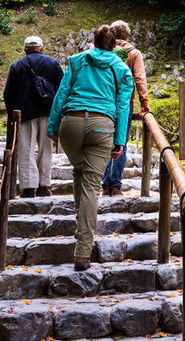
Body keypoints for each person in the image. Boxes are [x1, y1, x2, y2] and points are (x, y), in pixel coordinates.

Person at [47, 25, 133, 271]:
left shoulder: (76, 61)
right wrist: (120, 140)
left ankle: (80, 225)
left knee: (79, 171)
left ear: (93, 42)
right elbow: (122, 106)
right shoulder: (121, 68)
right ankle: (82, 252)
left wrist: (53, 126)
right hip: (102, 126)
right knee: (92, 185)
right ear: (115, 45)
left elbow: (61, 95)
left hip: (71, 124)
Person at [3, 36, 64, 198]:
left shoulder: (17, 66)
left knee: (26, 150)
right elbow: (63, 88)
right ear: (41, 48)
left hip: (25, 114)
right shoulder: (53, 63)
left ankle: (29, 187)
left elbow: (8, 93)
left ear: (25, 49)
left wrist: (12, 116)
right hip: (48, 112)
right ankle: (44, 186)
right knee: (46, 150)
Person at [101, 20, 151, 196]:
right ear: (127, 35)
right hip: (124, 104)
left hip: (104, 103)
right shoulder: (134, 53)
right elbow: (139, 79)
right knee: (120, 142)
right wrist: (144, 103)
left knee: (104, 142)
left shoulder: (105, 52)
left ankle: (104, 184)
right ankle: (115, 185)